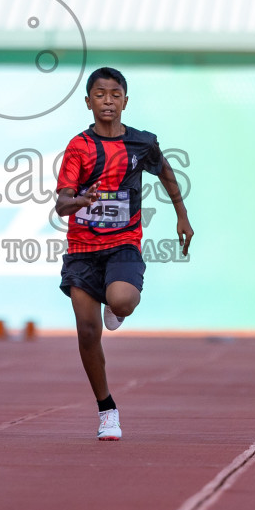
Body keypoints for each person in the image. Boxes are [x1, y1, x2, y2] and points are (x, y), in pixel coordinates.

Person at [53, 67, 193, 442]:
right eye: (100, 94)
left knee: (123, 300)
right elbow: (62, 202)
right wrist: (79, 199)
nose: (108, 101)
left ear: (125, 101)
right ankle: (106, 409)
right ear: (88, 102)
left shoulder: (142, 143)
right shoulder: (79, 148)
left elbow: (165, 172)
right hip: (82, 251)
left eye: (115, 94)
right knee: (87, 332)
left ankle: (114, 304)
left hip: (123, 244)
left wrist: (182, 215)